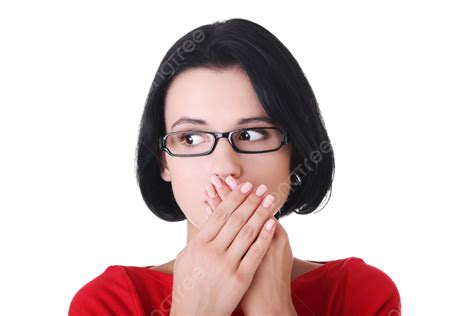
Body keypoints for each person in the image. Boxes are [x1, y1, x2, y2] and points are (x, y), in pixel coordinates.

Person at [69, 18, 401, 315]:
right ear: (164, 161)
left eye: (252, 134)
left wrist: (274, 308)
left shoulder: (359, 295)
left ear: (296, 153)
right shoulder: (108, 303)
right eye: (192, 138)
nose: (226, 166)